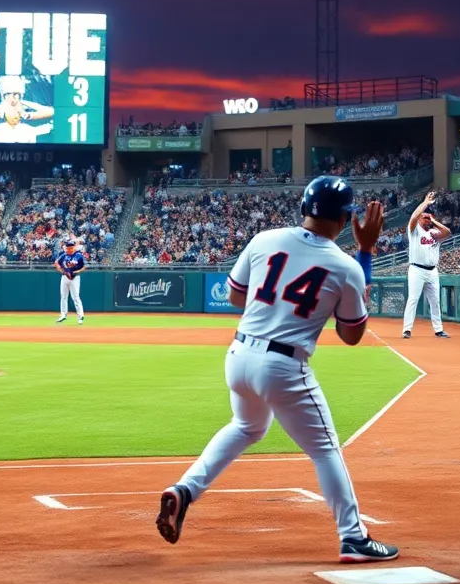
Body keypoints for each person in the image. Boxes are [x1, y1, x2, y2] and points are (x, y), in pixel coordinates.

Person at [155, 176, 398, 563]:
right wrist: (366, 251)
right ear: (345, 219)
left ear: (304, 208)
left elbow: (235, 295)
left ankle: (185, 490)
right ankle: (353, 537)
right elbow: (352, 335)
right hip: (283, 365)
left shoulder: (264, 239)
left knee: (246, 427)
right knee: (324, 449)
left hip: (239, 355)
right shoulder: (346, 266)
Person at [401, 190, 450, 339]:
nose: (427, 220)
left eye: (428, 218)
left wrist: (433, 221)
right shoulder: (414, 230)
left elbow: (448, 232)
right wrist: (425, 203)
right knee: (413, 299)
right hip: (416, 269)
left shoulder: (434, 232)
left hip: (432, 271)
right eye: (425, 218)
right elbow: (414, 217)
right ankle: (407, 329)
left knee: (435, 301)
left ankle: (438, 329)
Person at [54, 238, 86, 324]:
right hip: (65, 277)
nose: (69, 248)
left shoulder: (79, 255)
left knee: (75, 297)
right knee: (63, 296)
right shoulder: (64, 255)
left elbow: (84, 266)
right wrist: (61, 270)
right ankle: (63, 315)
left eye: (71, 247)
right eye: (68, 247)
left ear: (74, 247)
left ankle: (80, 316)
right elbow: (56, 262)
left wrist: (78, 271)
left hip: (75, 277)